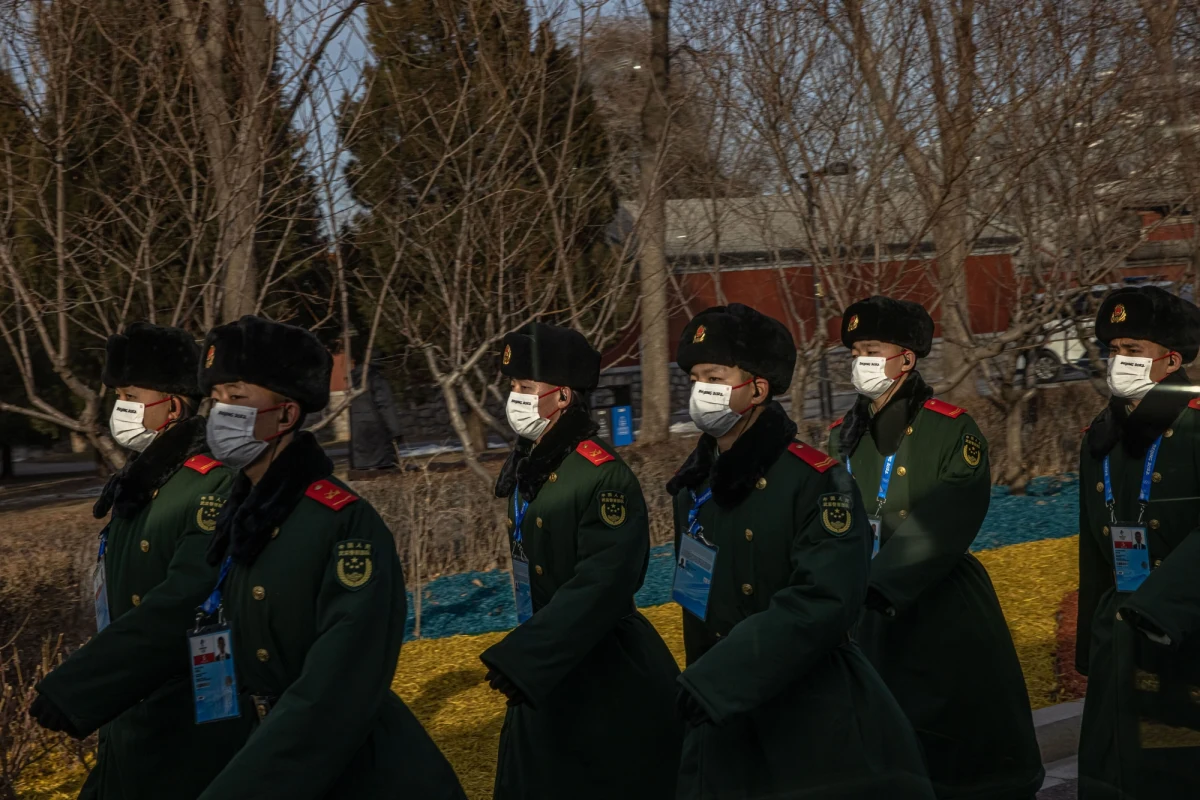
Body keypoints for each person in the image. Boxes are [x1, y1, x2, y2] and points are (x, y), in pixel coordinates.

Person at [668, 303, 934, 799]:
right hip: (719, 716)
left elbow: (823, 598)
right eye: (695, 378)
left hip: (806, 714)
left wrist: (719, 678)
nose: (700, 390)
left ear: (758, 388)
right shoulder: (693, 485)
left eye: (714, 376)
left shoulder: (816, 481)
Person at [194, 315, 465, 800]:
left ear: (286, 414)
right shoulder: (238, 519)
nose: (219, 413)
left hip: (355, 770)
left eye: (236, 398)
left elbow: (337, 682)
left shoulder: (342, 522)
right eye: (214, 399)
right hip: (266, 749)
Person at [830, 296, 1043, 799]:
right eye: (855, 349)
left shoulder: (950, 427)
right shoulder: (845, 434)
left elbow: (952, 511)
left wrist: (881, 582)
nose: (861, 360)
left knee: (953, 741)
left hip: (939, 606)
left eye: (872, 348)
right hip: (866, 610)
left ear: (907, 357)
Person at [30, 322, 246, 800]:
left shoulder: (211, 484)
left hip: (185, 719)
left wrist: (82, 684)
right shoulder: (142, 483)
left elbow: (184, 600)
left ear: (171, 405)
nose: (118, 408)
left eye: (129, 394)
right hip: (133, 711)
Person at [479, 321, 681, 800]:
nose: (515, 398)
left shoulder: (600, 476)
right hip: (547, 667)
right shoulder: (531, 468)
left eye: (526, 388)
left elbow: (604, 582)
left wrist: (527, 656)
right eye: (512, 387)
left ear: (563, 396)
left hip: (602, 673)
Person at [1077, 286, 1200, 799]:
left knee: (1173, 770)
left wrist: (1161, 608)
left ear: (1170, 360)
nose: (1118, 361)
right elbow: (1093, 548)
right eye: (1113, 349)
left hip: (1185, 632)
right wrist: (1091, 644)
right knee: (1112, 773)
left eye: (1133, 350)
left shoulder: (1194, 425)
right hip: (1119, 628)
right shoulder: (1102, 436)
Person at [349, 356, 403, 471]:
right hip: (378, 436)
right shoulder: (376, 378)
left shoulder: (353, 379)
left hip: (358, 440)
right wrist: (396, 431)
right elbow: (385, 405)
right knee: (384, 473)